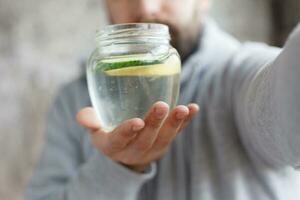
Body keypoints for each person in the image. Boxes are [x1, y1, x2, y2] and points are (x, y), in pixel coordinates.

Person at [25, 0, 300, 200]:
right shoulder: (73, 101)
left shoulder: (240, 73)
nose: (146, 8)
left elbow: (285, 101)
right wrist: (116, 169)